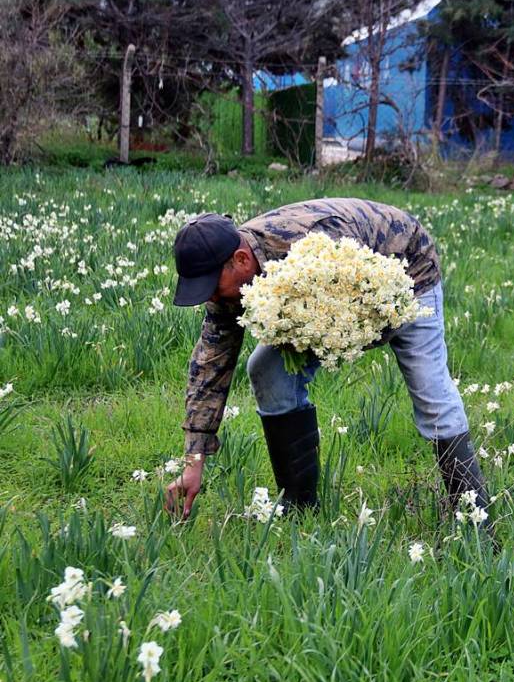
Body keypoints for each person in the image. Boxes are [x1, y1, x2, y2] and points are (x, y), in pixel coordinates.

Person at [162, 199, 493, 535]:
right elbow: (209, 367)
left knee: (430, 390)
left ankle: (477, 522)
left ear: (242, 260)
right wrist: (194, 461)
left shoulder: (309, 246)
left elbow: (358, 311)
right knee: (265, 369)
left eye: (212, 288)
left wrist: (327, 335)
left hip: (407, 268)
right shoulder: (230, 285)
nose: (211, 299)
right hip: (331, 301)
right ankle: (299, 508)